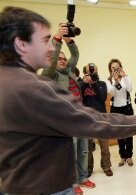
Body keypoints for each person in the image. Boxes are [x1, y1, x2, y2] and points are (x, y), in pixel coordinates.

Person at [0, 6, 136, 194]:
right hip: (46, 187)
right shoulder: (34, 88)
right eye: (45, 40)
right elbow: (91, 121)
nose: (52, 47)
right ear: (21, 44)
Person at [41, 24, 95, 194]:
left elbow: (76, 55)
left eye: (65, 59)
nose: (63, 60)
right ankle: (73, 183)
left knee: (84, 149)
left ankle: (83, 178)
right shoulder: (49, 74)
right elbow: (53, 57)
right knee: (70, 153)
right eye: (60, 58)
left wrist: (69, 41)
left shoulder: (69, 72)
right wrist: (57, 40)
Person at [80, 63, 113, 177]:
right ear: (85, 73)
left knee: (104, 145)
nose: (93, 74)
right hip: (87, 119)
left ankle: (106, 166)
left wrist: (93, 84)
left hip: (101, 118)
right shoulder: (81, 84)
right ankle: (88, 169)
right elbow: (78, 97)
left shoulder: (102, 84)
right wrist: (85, 84)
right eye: (90, 72)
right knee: (88, 147)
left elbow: (102, 98)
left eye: (95, 72)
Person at [106, 59, 135, 167]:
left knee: (129, 133)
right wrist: (115, 80)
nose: (115, 69)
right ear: (110, 69)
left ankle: (129, 156)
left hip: (127, 107)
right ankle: (122, 156)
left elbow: (130, 89)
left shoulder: (126, 78)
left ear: (121, 67)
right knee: (119, 134)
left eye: (117, 67)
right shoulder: (108, 81)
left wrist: (124, 76)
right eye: (113, 68)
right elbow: (112, 93)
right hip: (115, 109)